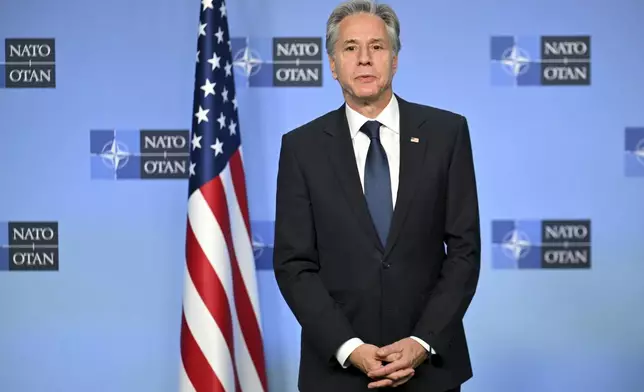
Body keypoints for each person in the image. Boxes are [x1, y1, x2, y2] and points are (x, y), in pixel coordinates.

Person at [272, 0, 480, 390]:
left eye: (377, 47)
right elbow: (293, 264)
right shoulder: (301, 148)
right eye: (350, 48)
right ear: (333, 65)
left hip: (430, 371)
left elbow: (465, 252)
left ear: (395, 60)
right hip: (337, 374)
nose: (364, 59)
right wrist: (349, 347)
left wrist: (422, 342)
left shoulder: (446, 134)